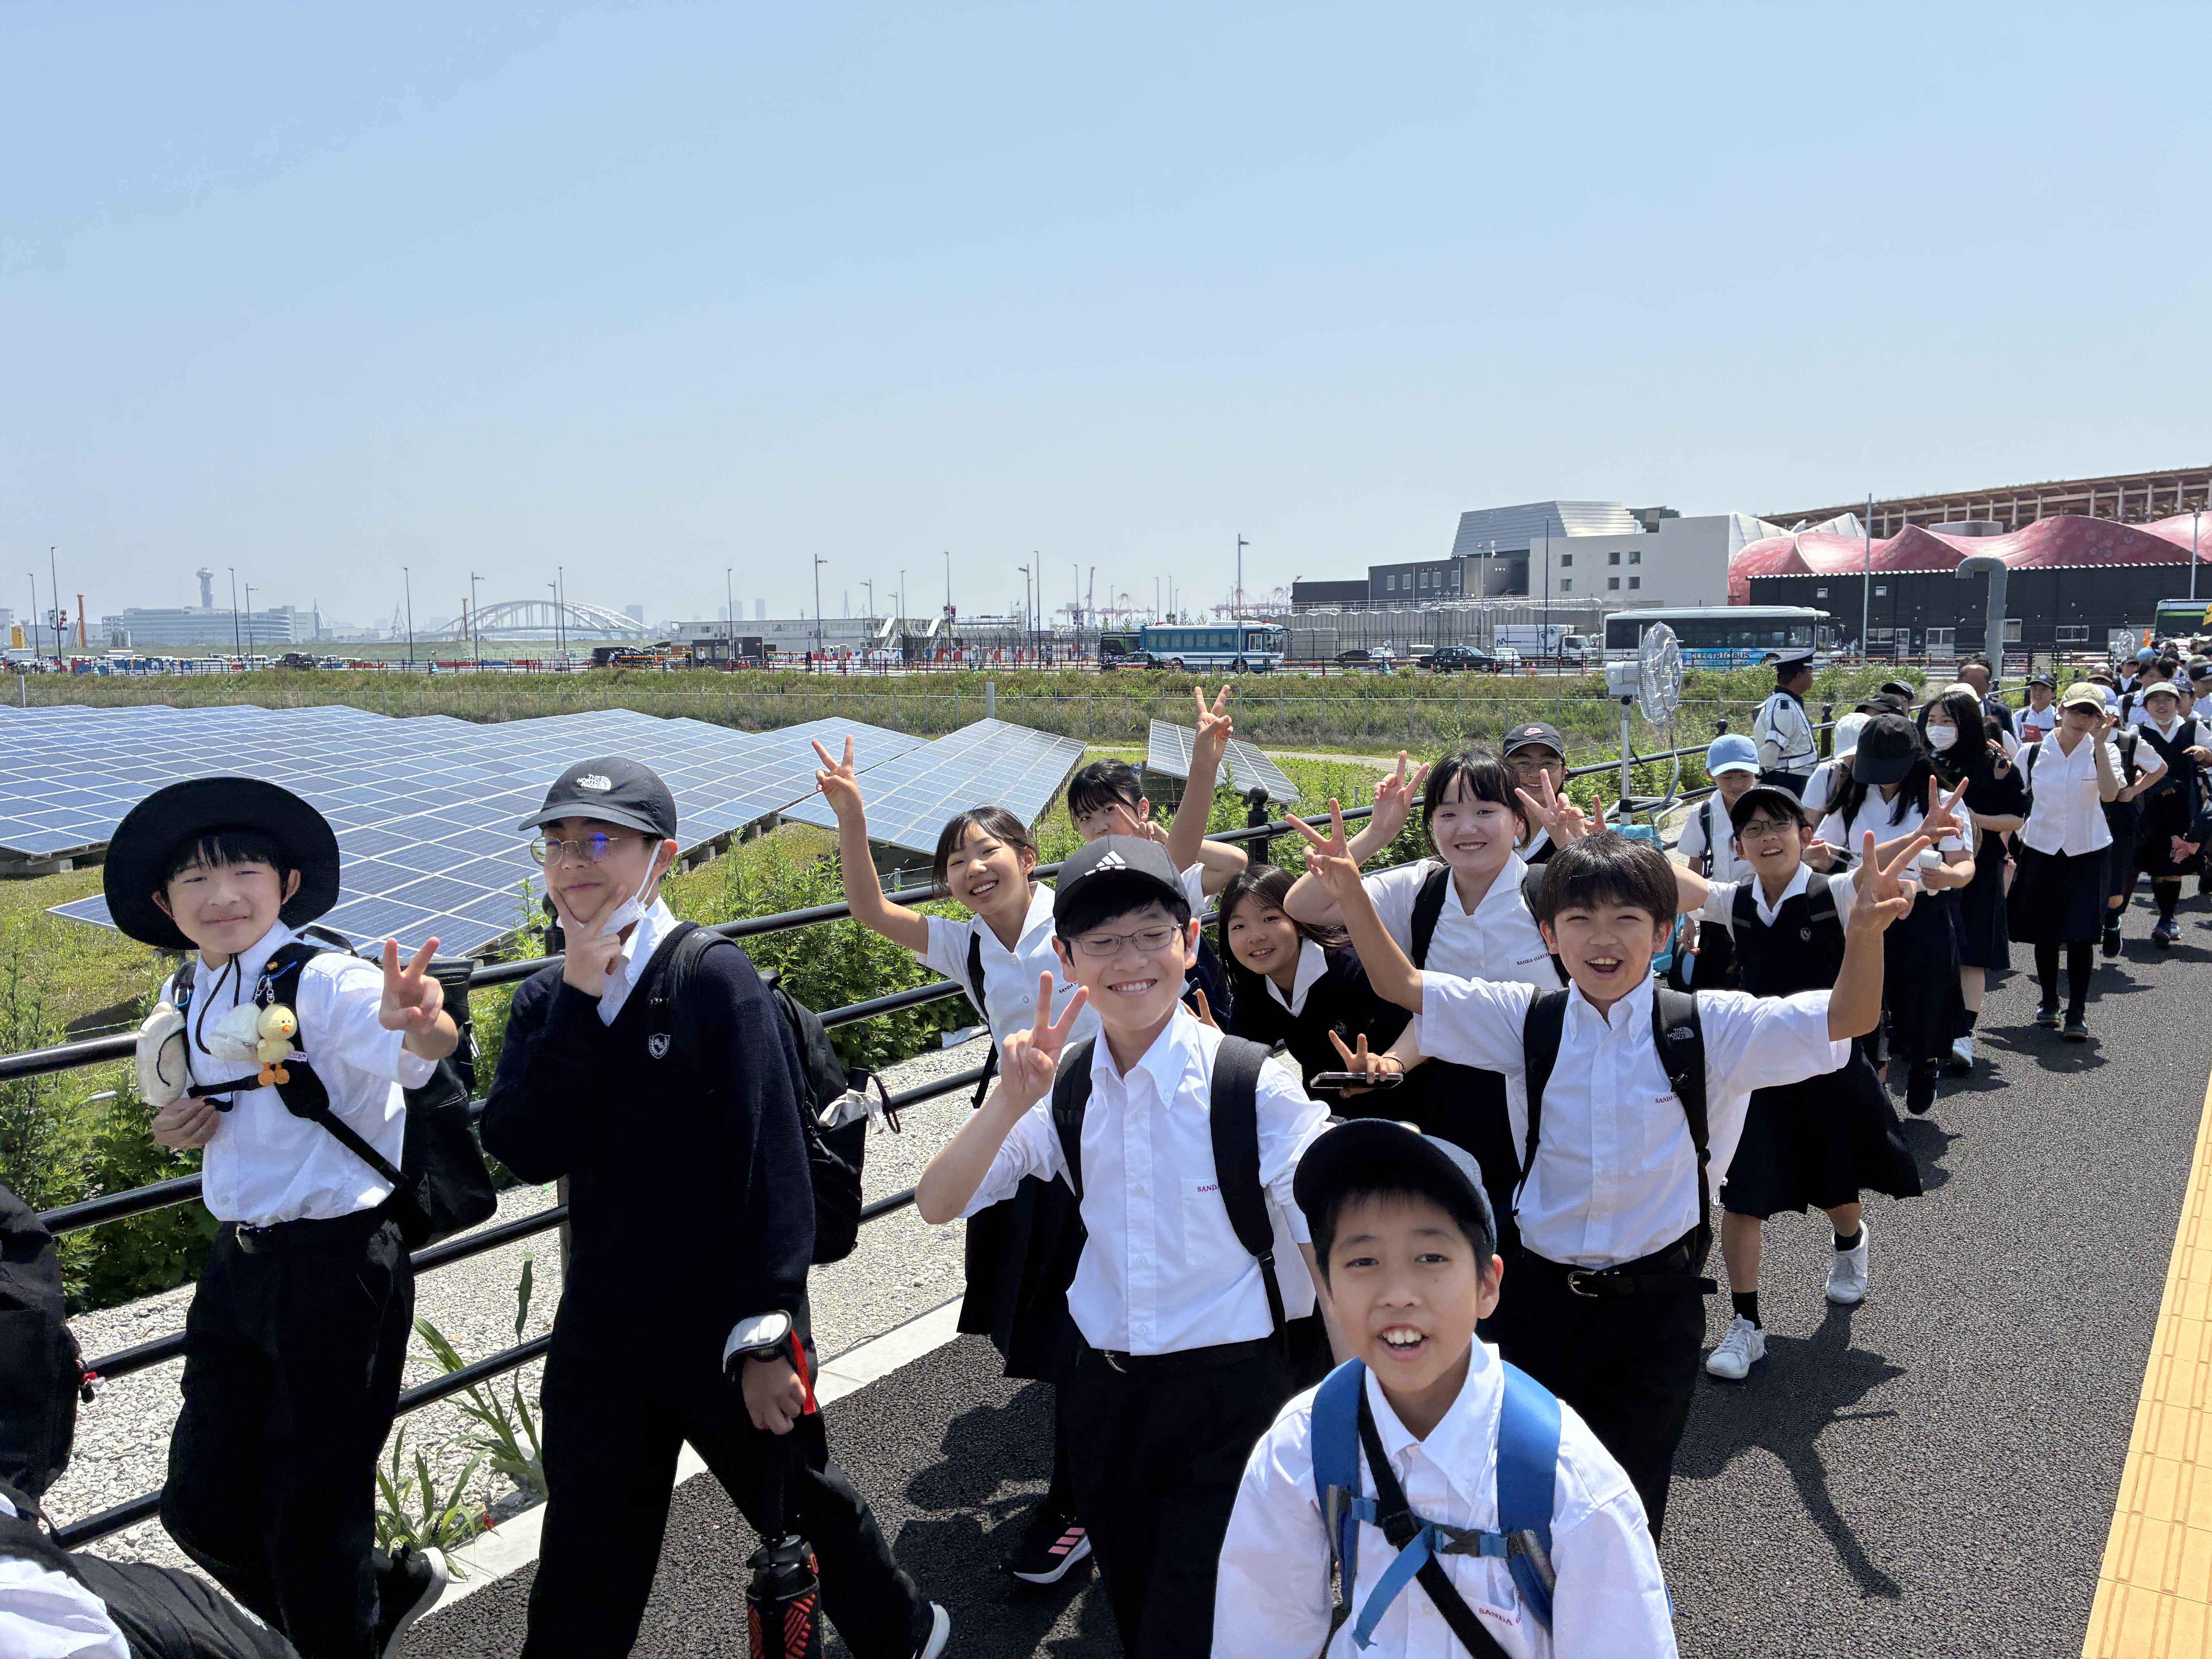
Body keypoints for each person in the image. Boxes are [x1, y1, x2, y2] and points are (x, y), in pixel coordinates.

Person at [1295, 817, 1917, 1535]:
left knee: (1631, 1486)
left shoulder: (1706, 1024)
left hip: (1657, 1302)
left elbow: (1846, 1015)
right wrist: (1349, 886)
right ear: (1547, 935)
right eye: (1578, 918)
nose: (1602, 937)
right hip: (1538, 1297)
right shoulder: (1526, 1018)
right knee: (1531, 1476)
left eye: (1627, 918)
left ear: (1661, 934)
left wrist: (1864, 929)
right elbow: (1402, 983)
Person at [481, 757, 947, 1659]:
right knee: (585, 1553)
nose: (576, 859)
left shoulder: (709, 979)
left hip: (727, 1322)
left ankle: (905, 1631)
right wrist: (579, 995)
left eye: (603, 840)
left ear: (665, 856)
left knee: (802, 1499)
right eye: (560, 841)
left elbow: (773, 1166)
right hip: (603, 1330)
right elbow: (527, 1144)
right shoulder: (547, 998)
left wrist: (769, 1333)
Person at [914, 835, 1330, 1656]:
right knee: (1140, 1613)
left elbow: (1328, 1234)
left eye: (1150, 934)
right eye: (1102, 942)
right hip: (1104, 1399)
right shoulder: (1061, 1081)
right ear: (1067, 959)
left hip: (1235, 1396)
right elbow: (936, 1202)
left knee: (1204, 1625)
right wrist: (1006, 1102)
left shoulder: (1253, 1082)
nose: (1129, 959)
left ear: (1190, 942)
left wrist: (1362, 1404)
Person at [106, 780, 459, 1659]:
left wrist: (423, 1028)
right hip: (238, 1267)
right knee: (201, 1505)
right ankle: (367, 1605)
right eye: (194, 879)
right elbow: (197, 1103)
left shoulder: (329, 979)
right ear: (165, 904)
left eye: (242, 869)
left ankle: (343, 1624)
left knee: (316, 1513)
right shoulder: (190, 991)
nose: (221, 894)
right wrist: (173, 1128)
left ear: (287, 883)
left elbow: (414, 1056)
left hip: (336, 1268)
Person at [1211, 1121, 1676, 1657]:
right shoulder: (1304, 1446)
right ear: (1329, 1291)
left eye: (1431, 1257)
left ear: (1487, 1284)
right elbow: (1259, 1635)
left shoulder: (1568, 1481)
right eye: (1363, 1261)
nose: (1398, 1294)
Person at [808, 737, 1097, 1585]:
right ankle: (1087, 1485)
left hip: (1108, 1130)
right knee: (1057, 1317)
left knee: (1085, 1321)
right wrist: (854, 818)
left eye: (987, 849)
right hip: (1033, 1150)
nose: (971, 867)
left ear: (1028, 859)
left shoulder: (1077, 912)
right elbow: (868, 908)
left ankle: (1082, 1499)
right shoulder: (965, 944)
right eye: (955, 859)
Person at [1686, 786, 1923, 1383]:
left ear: (1803, 835)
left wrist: (1902, 890)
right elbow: (1665, 879)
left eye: (1779, 825)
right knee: (1742, 1195)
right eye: (1754, 830)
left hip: (1827, 1061)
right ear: (1738, 848)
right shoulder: (1733, 901)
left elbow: (1882, 888)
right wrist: (1583, 839)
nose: (1768, 837)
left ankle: (1851, 1240)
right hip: (1757, 1061)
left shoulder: (1832, 894)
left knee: (1833, 1180)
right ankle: (1746, 1326)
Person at [1281, 749, 1562, 1252]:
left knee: (1544, 1250)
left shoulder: (1552, 894)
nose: (1465, 827)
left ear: (1519, 823)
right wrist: (1377, 834)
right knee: (1461, 1244)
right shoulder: (1421, 890)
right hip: (1451, 1099)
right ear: (1430, 825)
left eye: (1484, 812)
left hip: (1550, 1096)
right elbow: (1303, 907)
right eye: (1448, 814)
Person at [1810, 714, 1975, 1115]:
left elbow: (1966, 866)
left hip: (1921, 909)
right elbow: (1822, 852)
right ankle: (1872, 1085)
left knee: (1922, 1000)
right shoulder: (1851, 801)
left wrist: (1947, 875)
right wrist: (1817, 858)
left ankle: (1925, 1063)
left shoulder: (1941, 800)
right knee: (1864, 999)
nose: (1883, 780)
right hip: (1864, 912)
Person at [1214, 864, 1408, 1106]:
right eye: (1239, 926)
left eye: (1270, 918)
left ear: (1298, 922)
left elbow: (1422, 1024)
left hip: (1406, 1106)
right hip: (1328, 1116)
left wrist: (1388, 1064)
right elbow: (1242, 1062)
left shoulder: (1351, 970)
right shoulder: (1255, 989)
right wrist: (1215, 1045)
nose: (1255, 936)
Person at [1921, 684, 2028, 1073]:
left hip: (1979, 871)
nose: (1937, 728)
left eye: (1946, 721)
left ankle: (1964, 1033)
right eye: (1932, 720)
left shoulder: (1995, 765)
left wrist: (1967, 821)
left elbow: (2017, 819)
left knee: (1972, 954)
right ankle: (1925, 1030)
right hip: (1929, 870)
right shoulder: (1922, 761)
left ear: (1966, 722)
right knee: (1929, 952)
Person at [2011, 687, 2125, 1039]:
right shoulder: (2032, 752)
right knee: (2046, 932)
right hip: (2042, 848)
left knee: (2081, 934)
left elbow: (2109, 794)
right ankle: (2049, 1001)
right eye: (2076, 711)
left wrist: (2102, 745)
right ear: (2061, 711)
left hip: (2087, 850)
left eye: (2090, 714)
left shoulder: (2106, 750)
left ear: (2101, 718)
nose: (2082, 720)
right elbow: (2015, 800)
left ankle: (2077, 1010)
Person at [1673, 734, 1762, 991]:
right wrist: (1689, 920)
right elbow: (1695, 868)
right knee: (1719, 984)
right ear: (1710, 774)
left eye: (1744, 776)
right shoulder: (1703, 814)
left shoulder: (1770, 807)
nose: (1737, 784)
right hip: (1716, 911)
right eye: (1727, 777)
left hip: (1761, 905)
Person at [2130, 680, 2212, 947]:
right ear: (2146, 706)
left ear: (2179, 704)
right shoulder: (2138, 732)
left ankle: (2166, 918)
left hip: (2184, 807)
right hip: (2149, 808)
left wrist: (2205, 753)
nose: (2162, 705)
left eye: (2168, 700)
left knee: (2176, 862)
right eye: (2155, 701)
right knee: (2155, 862)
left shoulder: (2193, 728)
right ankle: (2163, 917)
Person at [1752, 648, 1821, 794]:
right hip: (1789, 781)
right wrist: (1759, 776)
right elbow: (1772, 748)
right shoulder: (1784, 707)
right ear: (1798, 676)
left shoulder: (1788, 702)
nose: (1812, 678)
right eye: (1810, 674)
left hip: (1793, 779)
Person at [1502, 722, 1571, 864]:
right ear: (1503, 771)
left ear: (1564, 772)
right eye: (1523, 763)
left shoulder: (1573, 830)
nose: (1535, 773)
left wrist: (1577, 848)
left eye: (1548, 764)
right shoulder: (1488, 826)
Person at [1956, 656, 2018, 745]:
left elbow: (2013, 751)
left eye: (1977, 684)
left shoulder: (2001, 712)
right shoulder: (1942, 709)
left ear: (1988, 686)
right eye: (1967, 684)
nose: (1971, 690)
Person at [2018, 673, 2060, 745]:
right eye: (2034, 688)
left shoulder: (2058, 717)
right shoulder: (2021, 716)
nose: (2038, 693)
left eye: (2043, 689)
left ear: (2054, 693)